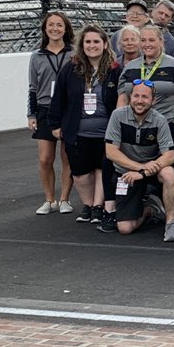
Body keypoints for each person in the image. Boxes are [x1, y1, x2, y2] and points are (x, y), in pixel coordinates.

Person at [48, 25, 121, 226]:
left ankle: (97, 207)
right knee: (80, 173)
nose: (92, 45)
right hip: (77, 130)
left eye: (96, 41)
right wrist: (55, 124)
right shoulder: (70, 69)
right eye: (88, 42)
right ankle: (87, 205)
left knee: (101, 169)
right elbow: (59, 98)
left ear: (105, 44)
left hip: (106, 131)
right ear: (82, 45)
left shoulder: (114, 70)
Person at [104, 80, 174, 241]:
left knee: (169, 173)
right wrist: (140, 168)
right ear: (130, 97)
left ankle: (171, 224)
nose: (140, 100)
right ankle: (150, 209)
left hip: (151, 170)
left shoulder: (159, 120)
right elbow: (111, 152)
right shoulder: (117, 116)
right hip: (126, 173)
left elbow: (169, 156)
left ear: (153, 101)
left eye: (145, 97)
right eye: (136, 96)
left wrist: (144, 172)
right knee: (125, 228)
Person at [27, 11, 75, 215]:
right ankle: (49, 199)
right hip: (45, 109)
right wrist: (31, 115)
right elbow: (32, 87)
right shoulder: (37, 56)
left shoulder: (74, 54)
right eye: (51, 25)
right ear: (45, 29)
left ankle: (65, 199)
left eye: (59, 25)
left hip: (69, 108)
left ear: (66, 29)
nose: (55, 29)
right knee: (45, 158)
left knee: (67, 157)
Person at [117, 24, 174, 125]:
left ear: (161, 41)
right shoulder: (130, 66)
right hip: (133, 125)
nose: (147, 44)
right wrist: (120, 122)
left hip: (163, 124)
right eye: (143, 40)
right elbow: (123, 98)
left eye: (151, 40)